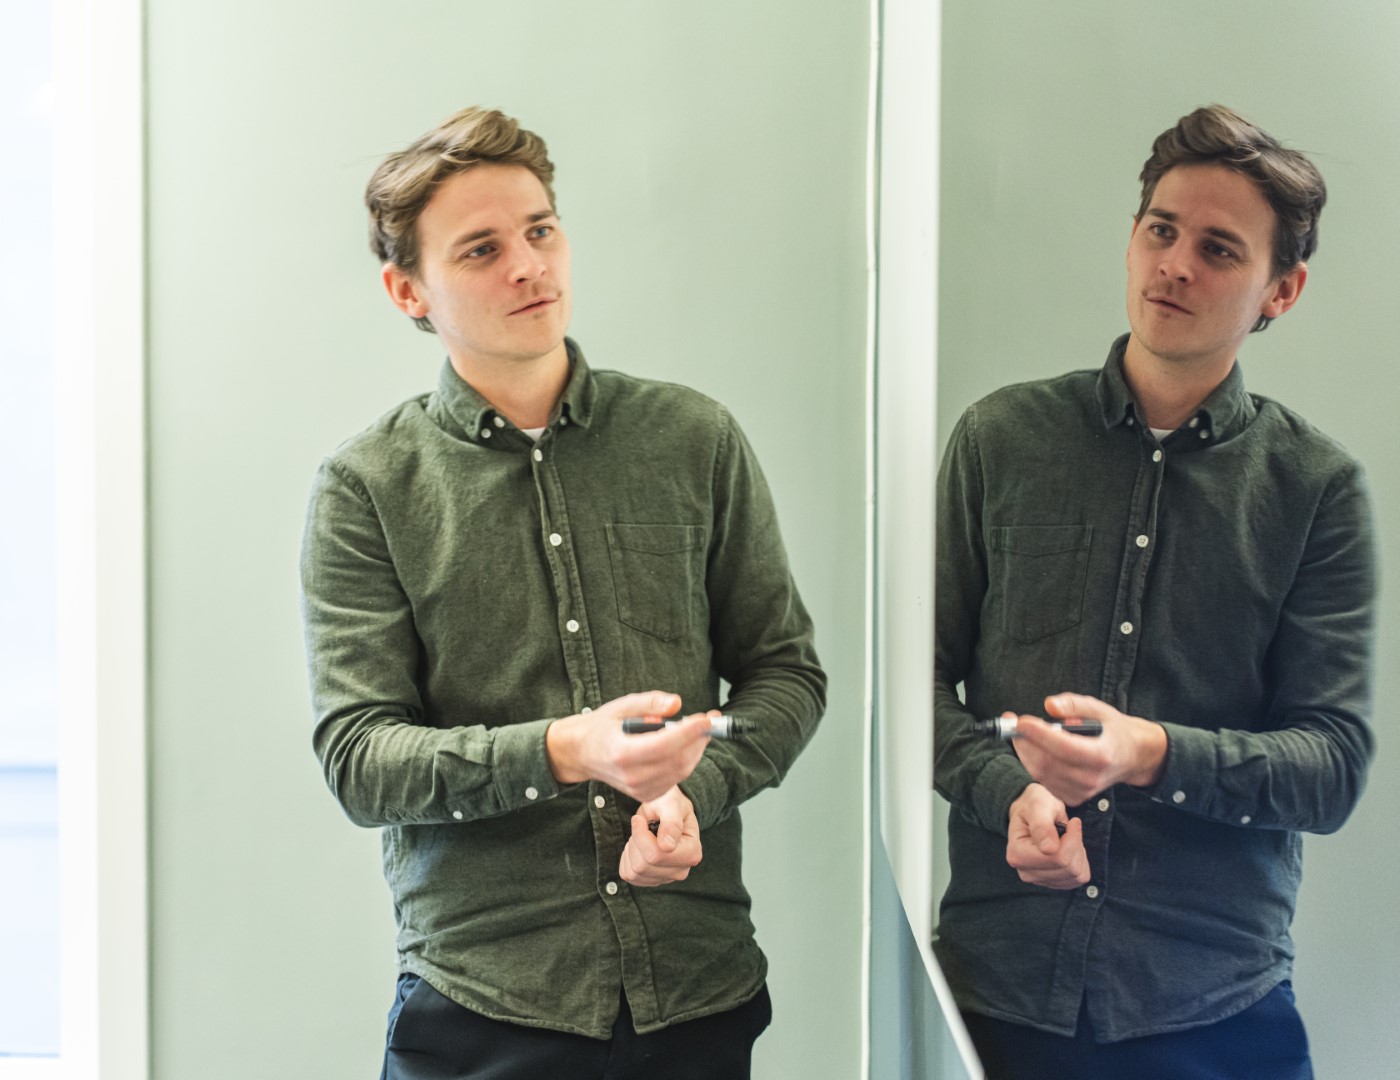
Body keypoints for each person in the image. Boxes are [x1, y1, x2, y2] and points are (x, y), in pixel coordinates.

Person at [299, 106, 825, 1080]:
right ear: (406, 290)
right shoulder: (367, 487)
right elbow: (358, 759)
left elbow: (784, 674)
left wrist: (695, 793)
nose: (528, 267)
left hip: (695, 990)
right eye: (481, 249)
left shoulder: (693, 440)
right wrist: (564, 751)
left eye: (540, 230)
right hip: (481, 1004)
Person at [933, 104, 1375, 1079]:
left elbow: (1330, 765)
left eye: (1218, 249)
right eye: (1159, 230)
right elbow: (913, 688)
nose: (1173, 264)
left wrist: (1147, 755)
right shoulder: (998, 441)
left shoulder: (1315, 491)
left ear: (1280, 289)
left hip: (1212, 1008)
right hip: (996, 998)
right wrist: (1005, 790)